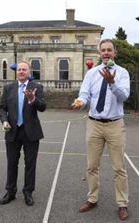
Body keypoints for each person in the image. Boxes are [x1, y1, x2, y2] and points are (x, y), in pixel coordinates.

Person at [72, 39, 130, 221]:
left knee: (119, 167)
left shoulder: (122, 73)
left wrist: (112, 82)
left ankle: (122, 203)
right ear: (99, 53)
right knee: (92, 166)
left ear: (115, 53)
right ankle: (92, 198)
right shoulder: (91, 73)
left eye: (109, 50)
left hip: (115, 124)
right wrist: (80, 102)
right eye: (103, 50)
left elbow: (124, 96)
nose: (106, 53)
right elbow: (84, 94)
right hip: (94, 124)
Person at [0, 61, 46, 206]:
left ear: (29, 72)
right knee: (12, 163)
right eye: (19, 69)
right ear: (16, 72)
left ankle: (28, 192)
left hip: (31, 131)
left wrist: (32, 99)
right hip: (12, 131)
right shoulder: (8, 88)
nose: (21, 72)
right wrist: (4, 121)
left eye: (24, 69)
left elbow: (43, 107)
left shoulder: (37, 87)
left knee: (30, 164)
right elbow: (2, 108)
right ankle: (10, 191)